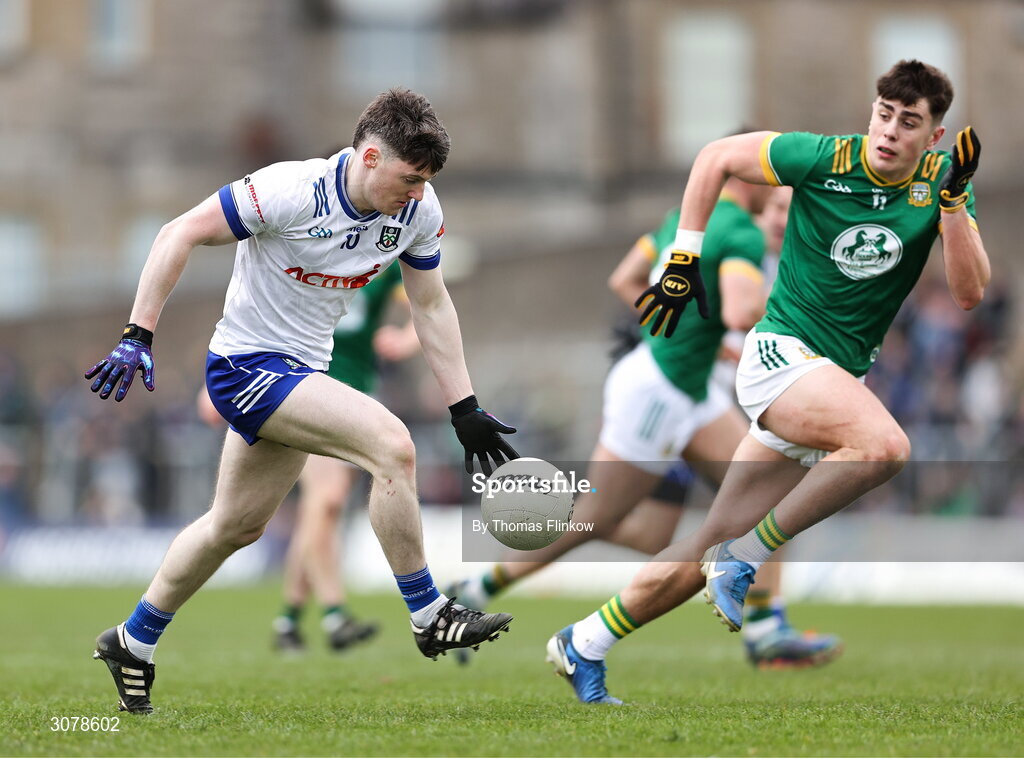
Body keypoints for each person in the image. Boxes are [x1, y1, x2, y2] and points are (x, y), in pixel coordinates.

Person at [547, 59, 989, 704]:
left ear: (936, 136)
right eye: (884, 113)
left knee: (707, 539)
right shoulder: (823, 157)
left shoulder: (942, 184)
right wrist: (682, 257)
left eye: (910, 121)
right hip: (780, 357)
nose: (890, 130)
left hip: (827, 383)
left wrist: (953, 204)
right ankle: (747, 557)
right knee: (886, 447)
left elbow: (970, 292)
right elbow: (715, 158)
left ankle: (584, 641)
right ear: (873, 110)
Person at [84, 88, 519, 714]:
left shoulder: (417, 211)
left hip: (301, 370)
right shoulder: (287, 189)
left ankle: (132, 640)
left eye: (426, 181)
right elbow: (177, 233)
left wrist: (465, 406)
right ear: (369, 157)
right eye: (408, 178)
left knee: (234, 526)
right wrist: (137, 333)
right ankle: (428, 614)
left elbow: (429, 304)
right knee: (392, 448)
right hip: (244, 366)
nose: (417, 193)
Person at [452, 178, 839, 677]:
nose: (780, 202)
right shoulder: (739, 230)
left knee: (763, 492)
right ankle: (475, 591)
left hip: (688, 391)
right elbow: (744, 310)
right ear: (747, 180)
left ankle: (767, 631)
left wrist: (681, 334)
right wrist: (802, 321)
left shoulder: (685, 216)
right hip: (658, 394)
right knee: (596, 518)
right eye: (773, 186)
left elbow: (626, 278)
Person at [196, 262, 418, 653]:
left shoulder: (384, 261)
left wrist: (405, 339)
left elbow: (426, 306)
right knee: (327, 500)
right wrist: (211, 384)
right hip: (301, 392)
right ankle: (335, 614)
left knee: (319, 512)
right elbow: (251, 312)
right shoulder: (311, 245)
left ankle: (290, 618)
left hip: (359, 400)